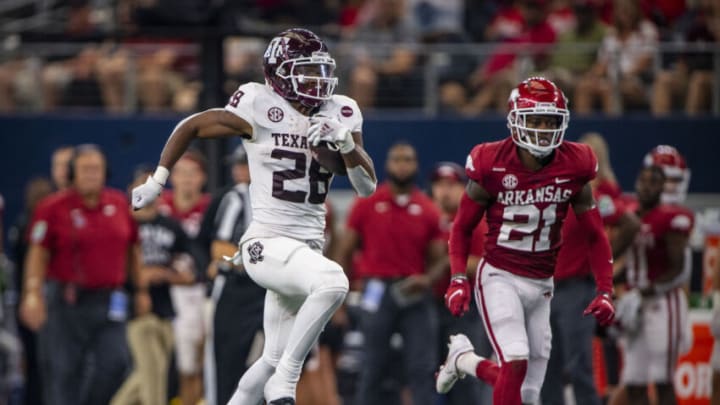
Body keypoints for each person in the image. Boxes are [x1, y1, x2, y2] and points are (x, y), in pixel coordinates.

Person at [131, 28, 377, 405]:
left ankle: (262, 385)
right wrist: (158, 179)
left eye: (320, 71)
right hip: (266, 242)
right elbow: (194, 124)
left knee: (271, 356)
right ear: (279, 74)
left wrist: (345, 144)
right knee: (333, 283)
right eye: (305, 71)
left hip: (306, 247)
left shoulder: (340, 110)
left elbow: (366, 187)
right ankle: (285, 384)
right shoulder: (258, 103)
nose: (317, 81)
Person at [435, 77, 616, 405]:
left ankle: (464, 360)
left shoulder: (576, 163)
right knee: (515, 361)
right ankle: (464, 360)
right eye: (535, 120)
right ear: (515, 119)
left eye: (550, 120)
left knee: (529, 393)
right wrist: (458, 277)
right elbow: (461, 227)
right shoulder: (491, 162)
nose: (544, 128)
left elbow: (596, 235)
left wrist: (605, 290)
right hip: (499, 275)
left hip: (543, 283)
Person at [19, 144, 150, 405]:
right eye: (85, 169)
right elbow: (37, 253)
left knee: (116, 363)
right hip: (66, 303)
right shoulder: (51, 207)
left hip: (110, 301)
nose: (91, 174)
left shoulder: (118, 202)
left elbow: (133, 249)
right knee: (64, 372)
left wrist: (141, 290)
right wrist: (32, 293)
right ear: (71, 173)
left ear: (106, 172)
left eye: (97, 169)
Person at [334, 142, 446, 405]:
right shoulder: (368, 202)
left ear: (416, 165)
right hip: (376, 288)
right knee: (372, 363)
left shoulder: (428, 209)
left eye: (407, 159)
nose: (402, 165)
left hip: (414, 290)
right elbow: (344, 250)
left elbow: (441, 259)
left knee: (422, 366)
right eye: (397, 159)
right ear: (387, 165)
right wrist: (339, 295)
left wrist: (427, 279)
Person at [541, 132, 641, 405]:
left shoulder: (593, 196)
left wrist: (603, 262)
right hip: (547, 290)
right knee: (548, 367)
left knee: (578, 365)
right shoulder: (553, 196)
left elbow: (631, 223)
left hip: (575, 288)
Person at [111, 168, 196, 405]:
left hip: (166, 310)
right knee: (153, 372)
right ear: (131, 191)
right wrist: (139, 280)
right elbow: (112, 265)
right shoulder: (121, 224)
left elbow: (193, 271)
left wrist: (166, 274)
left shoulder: (172, 226)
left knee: (150, 375)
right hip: (136, 309)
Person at [611, 165, 694, 405]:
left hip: (663, 304)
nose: (647, 186)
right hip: (635, 305)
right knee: (634, 380)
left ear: (662, 187)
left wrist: (644, 291)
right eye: (644, 180)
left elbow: (678, 268)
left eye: (654, 181)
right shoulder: (632, 216)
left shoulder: (671, 218)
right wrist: (610, 282)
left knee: (662, 379)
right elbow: (635, 266)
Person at [199, 145, 265, 405]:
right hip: (236, 290)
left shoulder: (276, 198)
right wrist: (265, 265)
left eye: (244, 164)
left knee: (276, 366)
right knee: (225, 363)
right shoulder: (236, 197)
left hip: (269, 289)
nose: (238, 170)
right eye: (237, 164)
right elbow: (220, 249)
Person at [428, 161, 494, 405]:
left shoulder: (474, 221)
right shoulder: (431, 218)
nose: (444, 191)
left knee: (467, 372)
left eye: (450, 185)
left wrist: (451, 263)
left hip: (468, 307)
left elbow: (488, 264)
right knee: (433, 370)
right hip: (433, 304)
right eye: (439, 185)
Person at [157, 149, 211, 405]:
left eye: (193, 173)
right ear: (171, 177)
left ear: (202, 178)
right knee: (178, 363)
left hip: (202, 290)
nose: (187, 179)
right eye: (181, 173)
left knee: (201, 360)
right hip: (166, 293)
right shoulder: (160, 206)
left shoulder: (211, 207)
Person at [7, 177, 53, 405]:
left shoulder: (21, 224)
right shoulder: (33, 227)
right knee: (40, 360)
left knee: (33, 360)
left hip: (24, 299)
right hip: (36, 301)